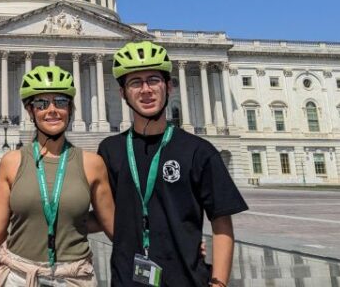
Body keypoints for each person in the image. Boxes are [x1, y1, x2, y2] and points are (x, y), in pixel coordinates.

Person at [98, 40, 248, 287]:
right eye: (135, 82)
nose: (146, 90)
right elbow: (101, 212)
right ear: (123, 93)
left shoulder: (199, 151)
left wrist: (219, 283)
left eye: (153, 80)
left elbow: (221, 222)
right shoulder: (110, 151)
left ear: (169, 86)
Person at [0, 65, 115, 287]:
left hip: (74, 276)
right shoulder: (11, 162)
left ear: (71, 109)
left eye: (61, 102)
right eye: (41, 104)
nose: (52, 110)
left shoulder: (93, 164)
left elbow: (111, 224)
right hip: (20, 276)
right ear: (30, 110)